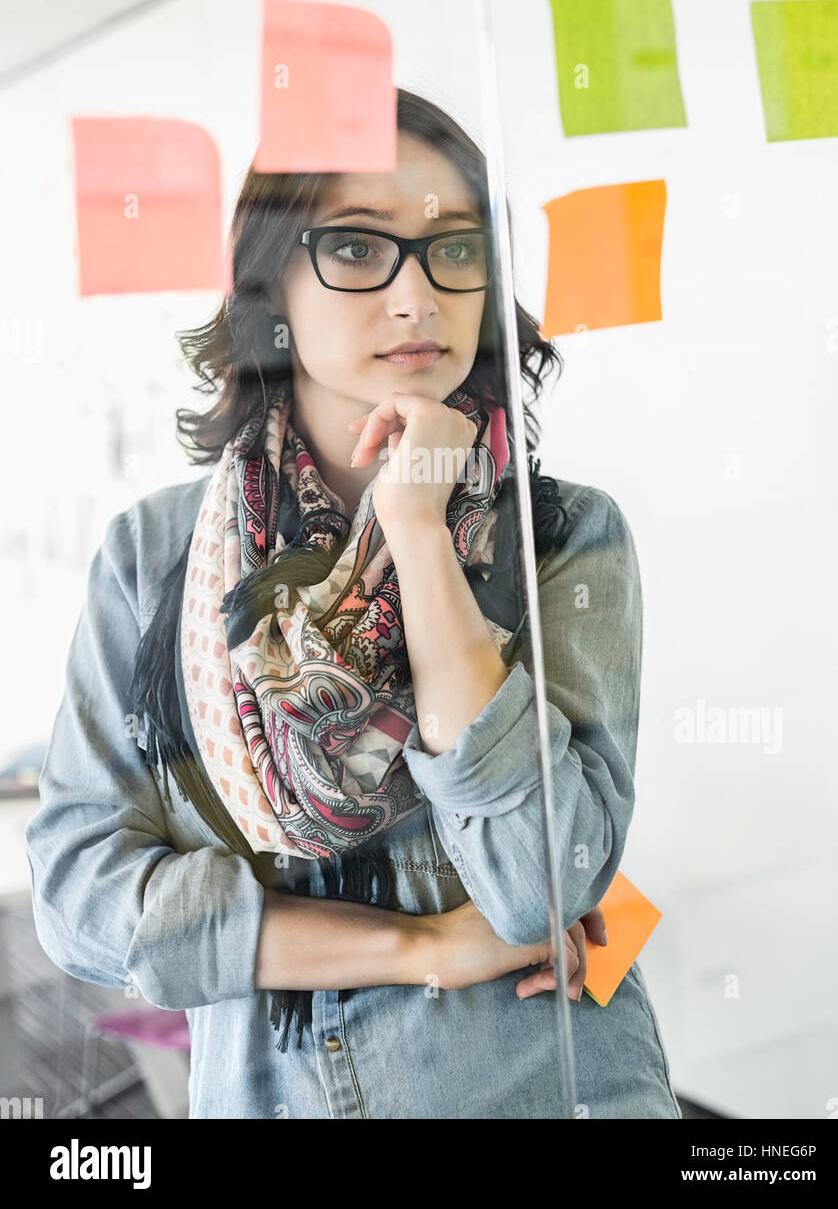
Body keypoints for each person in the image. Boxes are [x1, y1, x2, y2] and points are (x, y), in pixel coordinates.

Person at [25, 87, 681, 1119]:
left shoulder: (560, 536)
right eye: (359, 249)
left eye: (453, 250)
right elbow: (82, 900)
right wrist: (419, 946)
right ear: (271, 282)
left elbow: (539, 886)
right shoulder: (157, 558)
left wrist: (418, 532)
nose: (416, 297)